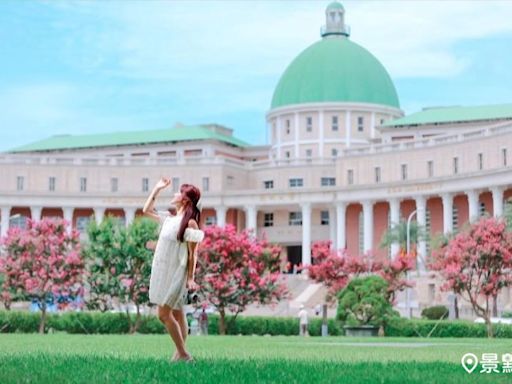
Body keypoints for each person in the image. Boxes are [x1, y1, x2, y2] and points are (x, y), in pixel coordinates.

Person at [142, 177, 205, 363]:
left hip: (177, 273)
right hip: (163, 271)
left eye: (179, 192)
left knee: (163, 314)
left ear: (185, 199)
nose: (175, 194)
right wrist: (157, 187)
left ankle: (184, 354)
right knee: (177, 313)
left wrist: (191, 278)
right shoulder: (170, 219)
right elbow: (146, 210)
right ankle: (179, 355)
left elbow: (193, 254)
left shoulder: (190, 223)